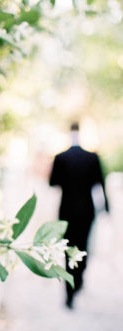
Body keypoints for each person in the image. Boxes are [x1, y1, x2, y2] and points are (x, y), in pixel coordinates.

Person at [49, 122, 109, 308]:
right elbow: (101, 184)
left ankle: (69, 290)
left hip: (66, 210)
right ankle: (79, 280)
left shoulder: (61, 157)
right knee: (83, 247)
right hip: (86, 210)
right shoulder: (92, 157)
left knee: (68, 249)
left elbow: (52, 183)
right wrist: (107, 207)